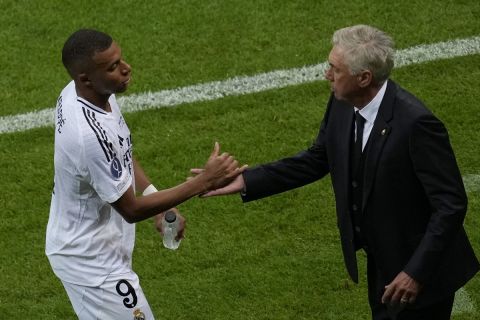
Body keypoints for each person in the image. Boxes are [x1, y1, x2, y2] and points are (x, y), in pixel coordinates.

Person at [196, 25, 480, 319]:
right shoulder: (344, 102)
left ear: (364, 78)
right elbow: (319, 158)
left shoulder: (416, 125)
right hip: (384, 262)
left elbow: (450, 204)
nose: (326, 75)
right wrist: (246, 180)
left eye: (335, 69)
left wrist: (415, 273)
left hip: (420, 276)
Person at [45, 29, 245, 319]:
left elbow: (120, 151)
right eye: (113, 67)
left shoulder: (92, 94)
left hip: (94, 240)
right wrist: (204, 181)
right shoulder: (88, 135)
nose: (126, 68)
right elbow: (131, 209)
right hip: (89, 261)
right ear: (85, 78)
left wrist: (156, 197)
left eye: (120, 59)